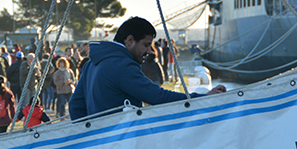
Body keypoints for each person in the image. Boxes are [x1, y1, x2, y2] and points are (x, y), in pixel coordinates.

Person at [70, 17, 225, 120]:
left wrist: (90, 136)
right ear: (130, 40)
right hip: (123, 143)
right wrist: (203, 98)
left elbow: (75, 106)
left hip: (101, 147)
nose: (150, 51)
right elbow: (156, 97)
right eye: (146, 44)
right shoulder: (123, 65)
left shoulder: (91, 64)